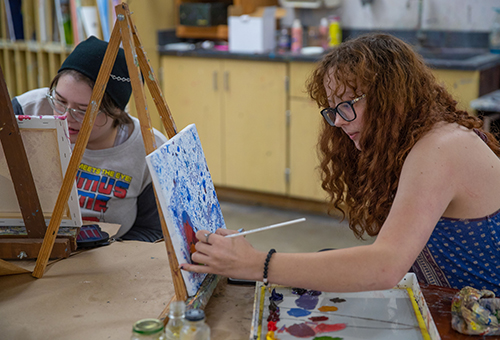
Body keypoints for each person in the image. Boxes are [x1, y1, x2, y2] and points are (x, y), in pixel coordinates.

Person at [182, 33, 500, 294]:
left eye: (348, 105)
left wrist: (257, 263)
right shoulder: (422, 139)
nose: (339, 122)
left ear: (392, 96)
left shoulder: (441, 147)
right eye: (332, 109)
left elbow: (385, 265)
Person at [12, 36, 168, 242]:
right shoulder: (27, 110)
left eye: (83, 110)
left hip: (110, 260)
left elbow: (153, 231)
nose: (65, 117)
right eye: (59, 101)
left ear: (115, 111)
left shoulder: (150, 148)